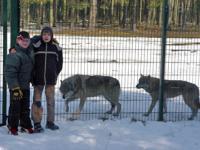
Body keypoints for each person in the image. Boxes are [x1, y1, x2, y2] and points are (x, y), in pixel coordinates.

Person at [31, 26, 63, 132]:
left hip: (50, 80)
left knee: (51, 102)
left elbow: (59, 64)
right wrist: (33, 76)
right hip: (38, 80)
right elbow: (31, 63)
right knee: (37, 101)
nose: (46, 36)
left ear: (51, 36)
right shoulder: (36, 46)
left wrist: (54, 74)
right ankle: (37, 123)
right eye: (44, 34)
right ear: (41, 35)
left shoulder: (56, 48)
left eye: (48, 35)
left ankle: (50, 122)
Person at [5, 31, 34, 135]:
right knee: (15, 106)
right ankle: (12, 126)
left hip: (25, 85)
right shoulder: (14, 54)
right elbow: (10, 72)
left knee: (25, 107)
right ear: (17, 41)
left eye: (27, 40)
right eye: (22, 40)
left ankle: (25, 125)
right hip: (16, 87)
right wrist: (15, 87)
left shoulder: (29, 51)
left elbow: (37, 38)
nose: (25, 42)